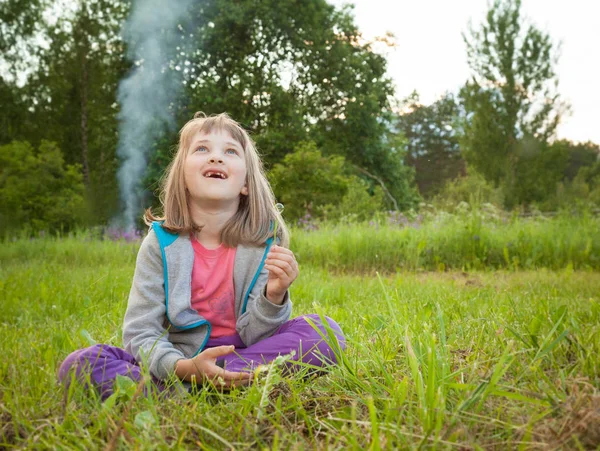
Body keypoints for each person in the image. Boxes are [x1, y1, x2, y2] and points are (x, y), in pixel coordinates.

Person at [58, 112, 346, 400]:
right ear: (182, 177)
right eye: (202, 149)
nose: (216, 158)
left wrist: (274, 296)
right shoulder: (160, 244)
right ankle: (210, 386)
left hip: (245, 353)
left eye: (230, 151)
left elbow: (255, 336)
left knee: (324, 333)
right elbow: (140, 333)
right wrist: (184, 367)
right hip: (181, 360)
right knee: (80, 365)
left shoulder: (263, 243)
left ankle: (192, 390)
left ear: (246, 183)